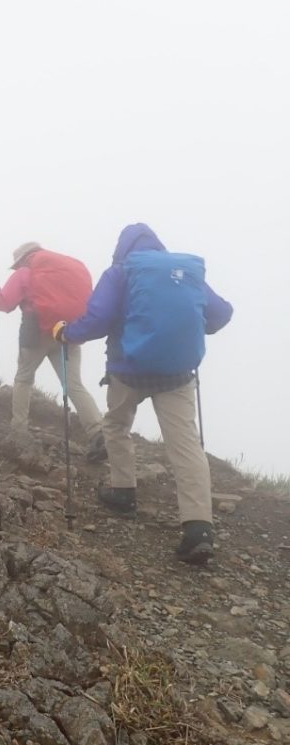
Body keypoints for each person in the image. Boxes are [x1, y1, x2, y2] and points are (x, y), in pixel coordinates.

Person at [56, 223, 233, 565]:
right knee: (185, 444)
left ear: (122, 247)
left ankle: (124, 492)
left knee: (116, 425)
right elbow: (221, 314)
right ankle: (199, 528)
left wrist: (67, 333)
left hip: (128, 369)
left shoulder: (121, 271)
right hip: (178, 374)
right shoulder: (184, 272)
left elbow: (97, 318)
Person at [0, 242, 106, 461]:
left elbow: (5, 303)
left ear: (23, 259)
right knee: (73, 384)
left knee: (24, 378)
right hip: (67, 331)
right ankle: (98, 432)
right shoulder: (66, 269)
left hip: (36, 332)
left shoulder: (25, 272)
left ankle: (18, 430)